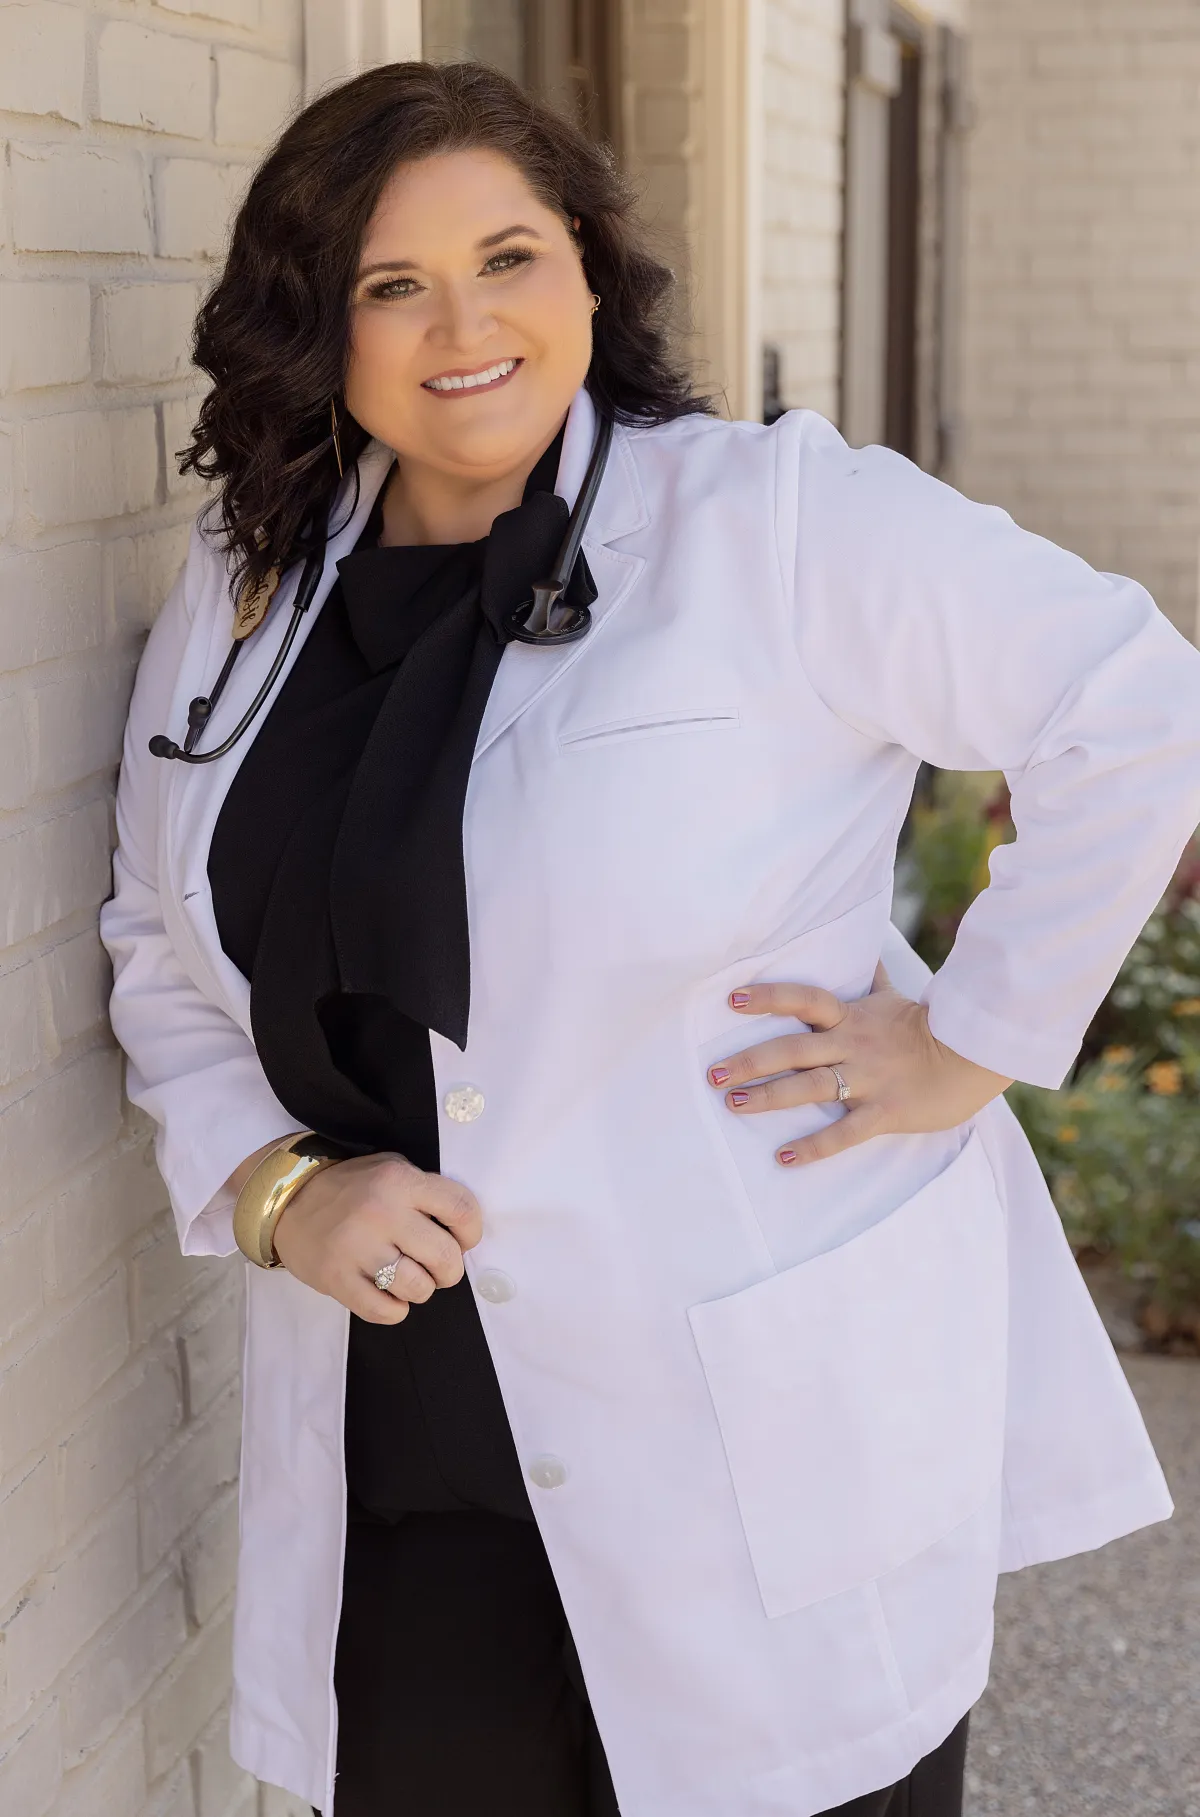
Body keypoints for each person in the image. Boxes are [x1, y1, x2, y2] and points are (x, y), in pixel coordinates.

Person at [99, 59, 1200, 1817]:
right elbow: (158, 943)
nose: (464, 323)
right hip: (417, 1443)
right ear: (322, 324)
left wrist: (970, 1041)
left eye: (512, 256)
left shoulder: (769, 520)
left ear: (592, 276)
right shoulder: (253, 593)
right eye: (395, 284)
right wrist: (281, 1186)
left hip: (748, 1427)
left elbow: (1138, 707)